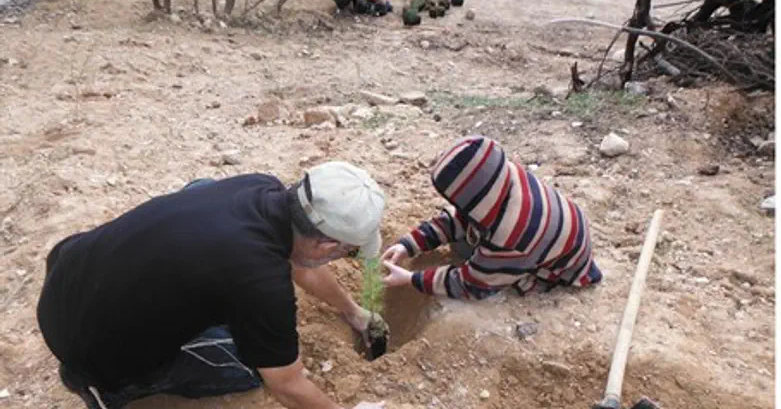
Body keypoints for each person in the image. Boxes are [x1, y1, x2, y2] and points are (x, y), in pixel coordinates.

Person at [36, 161, 387, 409]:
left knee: (202, 190)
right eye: (348, 251)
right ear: (326, 245)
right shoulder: (261, 283)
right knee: (252, 369)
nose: (345, 256)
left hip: (68, 274)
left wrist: (353, 312)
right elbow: (287, 385)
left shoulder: (259, 186)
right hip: (90, 353)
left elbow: (299, 261)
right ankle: (108, 390)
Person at [381, 135, 603, 300]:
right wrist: (409, 245)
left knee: (476, 262)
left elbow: (470, 285)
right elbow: (460, 217)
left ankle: (534, 280)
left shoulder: (511, 236)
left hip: (564, 266)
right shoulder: (500, 177)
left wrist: (411, 279)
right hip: (557, 229)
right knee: (466, 241)